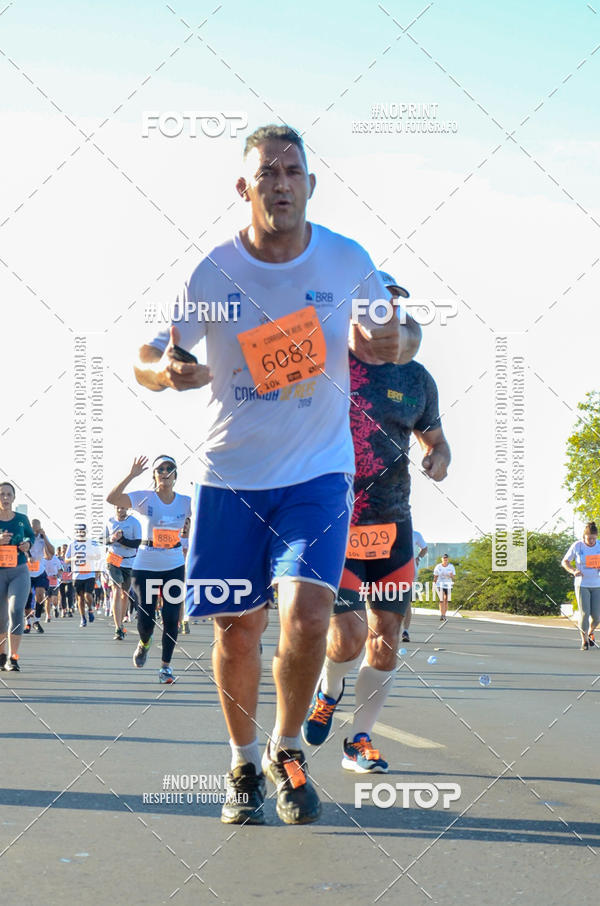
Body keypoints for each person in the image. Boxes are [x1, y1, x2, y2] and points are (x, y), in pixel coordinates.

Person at [134, 125, 422, 825]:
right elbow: (149, 350)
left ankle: (287, 750)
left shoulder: (345, 260)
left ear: (310, 184)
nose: (282, 183)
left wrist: (401, 336)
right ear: (246, 187)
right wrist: (165, 371)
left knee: (307, 613)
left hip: (319, 475)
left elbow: (400, 330)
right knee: (237, 629)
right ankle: (241, 761)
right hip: (232, 476)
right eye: (268, 172)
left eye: (294, 171)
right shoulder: (211, 272)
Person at [302, 274, 450, 772]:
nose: (386, 312)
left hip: (393, 521)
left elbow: (435, 440)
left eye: (394, 304)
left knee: (385, 637)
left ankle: (358, 739)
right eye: (375, 304)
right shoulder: (325, 365)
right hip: (334, 523)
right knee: (347, 635)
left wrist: (440, 458)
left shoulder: (416, 378)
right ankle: (329, 690)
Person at [106, 455, 191, 683]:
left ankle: (166, 667)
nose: (164, 472)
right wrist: (131, 475)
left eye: (169, 469)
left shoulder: (185, 501)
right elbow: (112, 498)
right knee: (146, 619)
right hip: (146, 564)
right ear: (154, 475)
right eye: (159, 469)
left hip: (174, 563)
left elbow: (211, 514)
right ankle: (144, 643)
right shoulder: (145, 498)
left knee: (172, 618)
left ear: (175, 475)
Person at [0, 481, 35, 671]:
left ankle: (13, 658)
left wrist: (27, 544)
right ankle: (1, 654)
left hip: (19, 570)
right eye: (1, 494)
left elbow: (31, 536)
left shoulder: (22, 518)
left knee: (16, 611)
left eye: (8, 494)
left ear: (14, 498)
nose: (5, 498)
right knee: (0, 617)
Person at [105, 505, 142, 640]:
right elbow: (102, 540)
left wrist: (122, 540)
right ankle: (118, 627)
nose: (120, 510)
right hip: (113, 560)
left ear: (127, 508)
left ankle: (121, 625)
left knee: (125, 594)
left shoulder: (134, 522)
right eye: (118, 507)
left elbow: (137, 543)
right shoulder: (110, 521)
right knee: (117, 589)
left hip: (129, 561)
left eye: (123, 508)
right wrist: (111, 539)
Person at [561, 522, 600, 650]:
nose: (591, 541)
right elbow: (565, 561)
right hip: (582, 584)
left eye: (594, 538)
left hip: (597, 584)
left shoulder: (599, 545)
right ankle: (584, 641)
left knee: (597, 616)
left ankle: (590, 631)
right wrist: (573, 571)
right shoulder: (577, 546)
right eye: (589, 538)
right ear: (584, 537)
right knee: (584, 613)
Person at [64, 526, 102, 627]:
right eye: (79, 531)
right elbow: (66, 559)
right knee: (80, 598)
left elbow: (99, 556)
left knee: (87, 595)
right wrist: (73, 558)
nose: (81, 532)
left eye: (83, 531)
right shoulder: (72, 544)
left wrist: (90, 556)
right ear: (76, 532)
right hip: (77, 574)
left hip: (89, 573)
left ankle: (90, 609)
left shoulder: (92, 542)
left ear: (86, 532)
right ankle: (83, 618)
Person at [25, 519, 55, 634]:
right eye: (34, 528)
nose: (35, 531)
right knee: (27, 598)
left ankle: (36, 621)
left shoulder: (42, 539)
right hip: (26, 571)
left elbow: (51, 554)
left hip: (39, 571)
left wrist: (45, 537)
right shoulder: (26, 536)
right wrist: (28, 556)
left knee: (40, 594)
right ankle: (28, 623)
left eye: (38, 528)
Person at [401, 528, 428, 643]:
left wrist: (419, 558)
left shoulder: (415, 534)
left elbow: (425, 548)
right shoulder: (389, 531)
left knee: (406, 602)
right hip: (391, 572)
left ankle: (405, 631)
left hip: (409, 570)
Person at [433, 553, 456, 620]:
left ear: (448, 559)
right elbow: (435, 576)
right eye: (444, 558)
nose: (445, 559)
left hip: (448, 585)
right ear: (442, 559)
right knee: (441, 599)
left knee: (446, 600)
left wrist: (451, 575)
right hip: (440, 584)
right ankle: (442, 614)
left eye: (446, 558)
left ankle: (444, 614)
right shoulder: (438, 566)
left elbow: (454, 577)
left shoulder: (451, 566)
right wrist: (433, 585)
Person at [42, 551, 62, 620]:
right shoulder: (41, 559)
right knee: (47, 600)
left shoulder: (56, 559)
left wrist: (57, 575)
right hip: (45, 582)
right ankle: (48, 616)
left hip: (54, 582)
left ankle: (55, 607)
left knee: (54, 600)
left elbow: (60, 570)